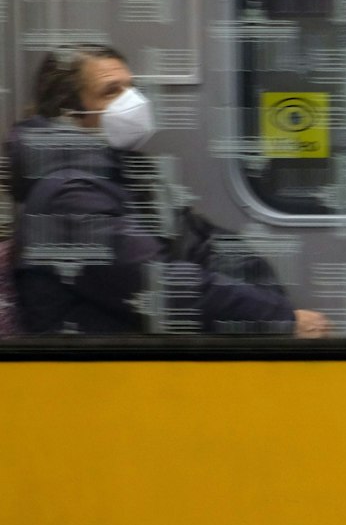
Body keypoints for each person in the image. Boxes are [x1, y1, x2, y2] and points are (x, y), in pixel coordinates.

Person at [4, 44, 327, 337]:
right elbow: (159, 286)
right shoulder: (66, 199)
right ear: (71, 114)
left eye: (131, 87)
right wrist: (279, 318)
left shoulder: (123, 176)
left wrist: (266, 295)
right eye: (111, 91)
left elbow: (200, 242)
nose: (132, 101)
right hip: (98, 378)